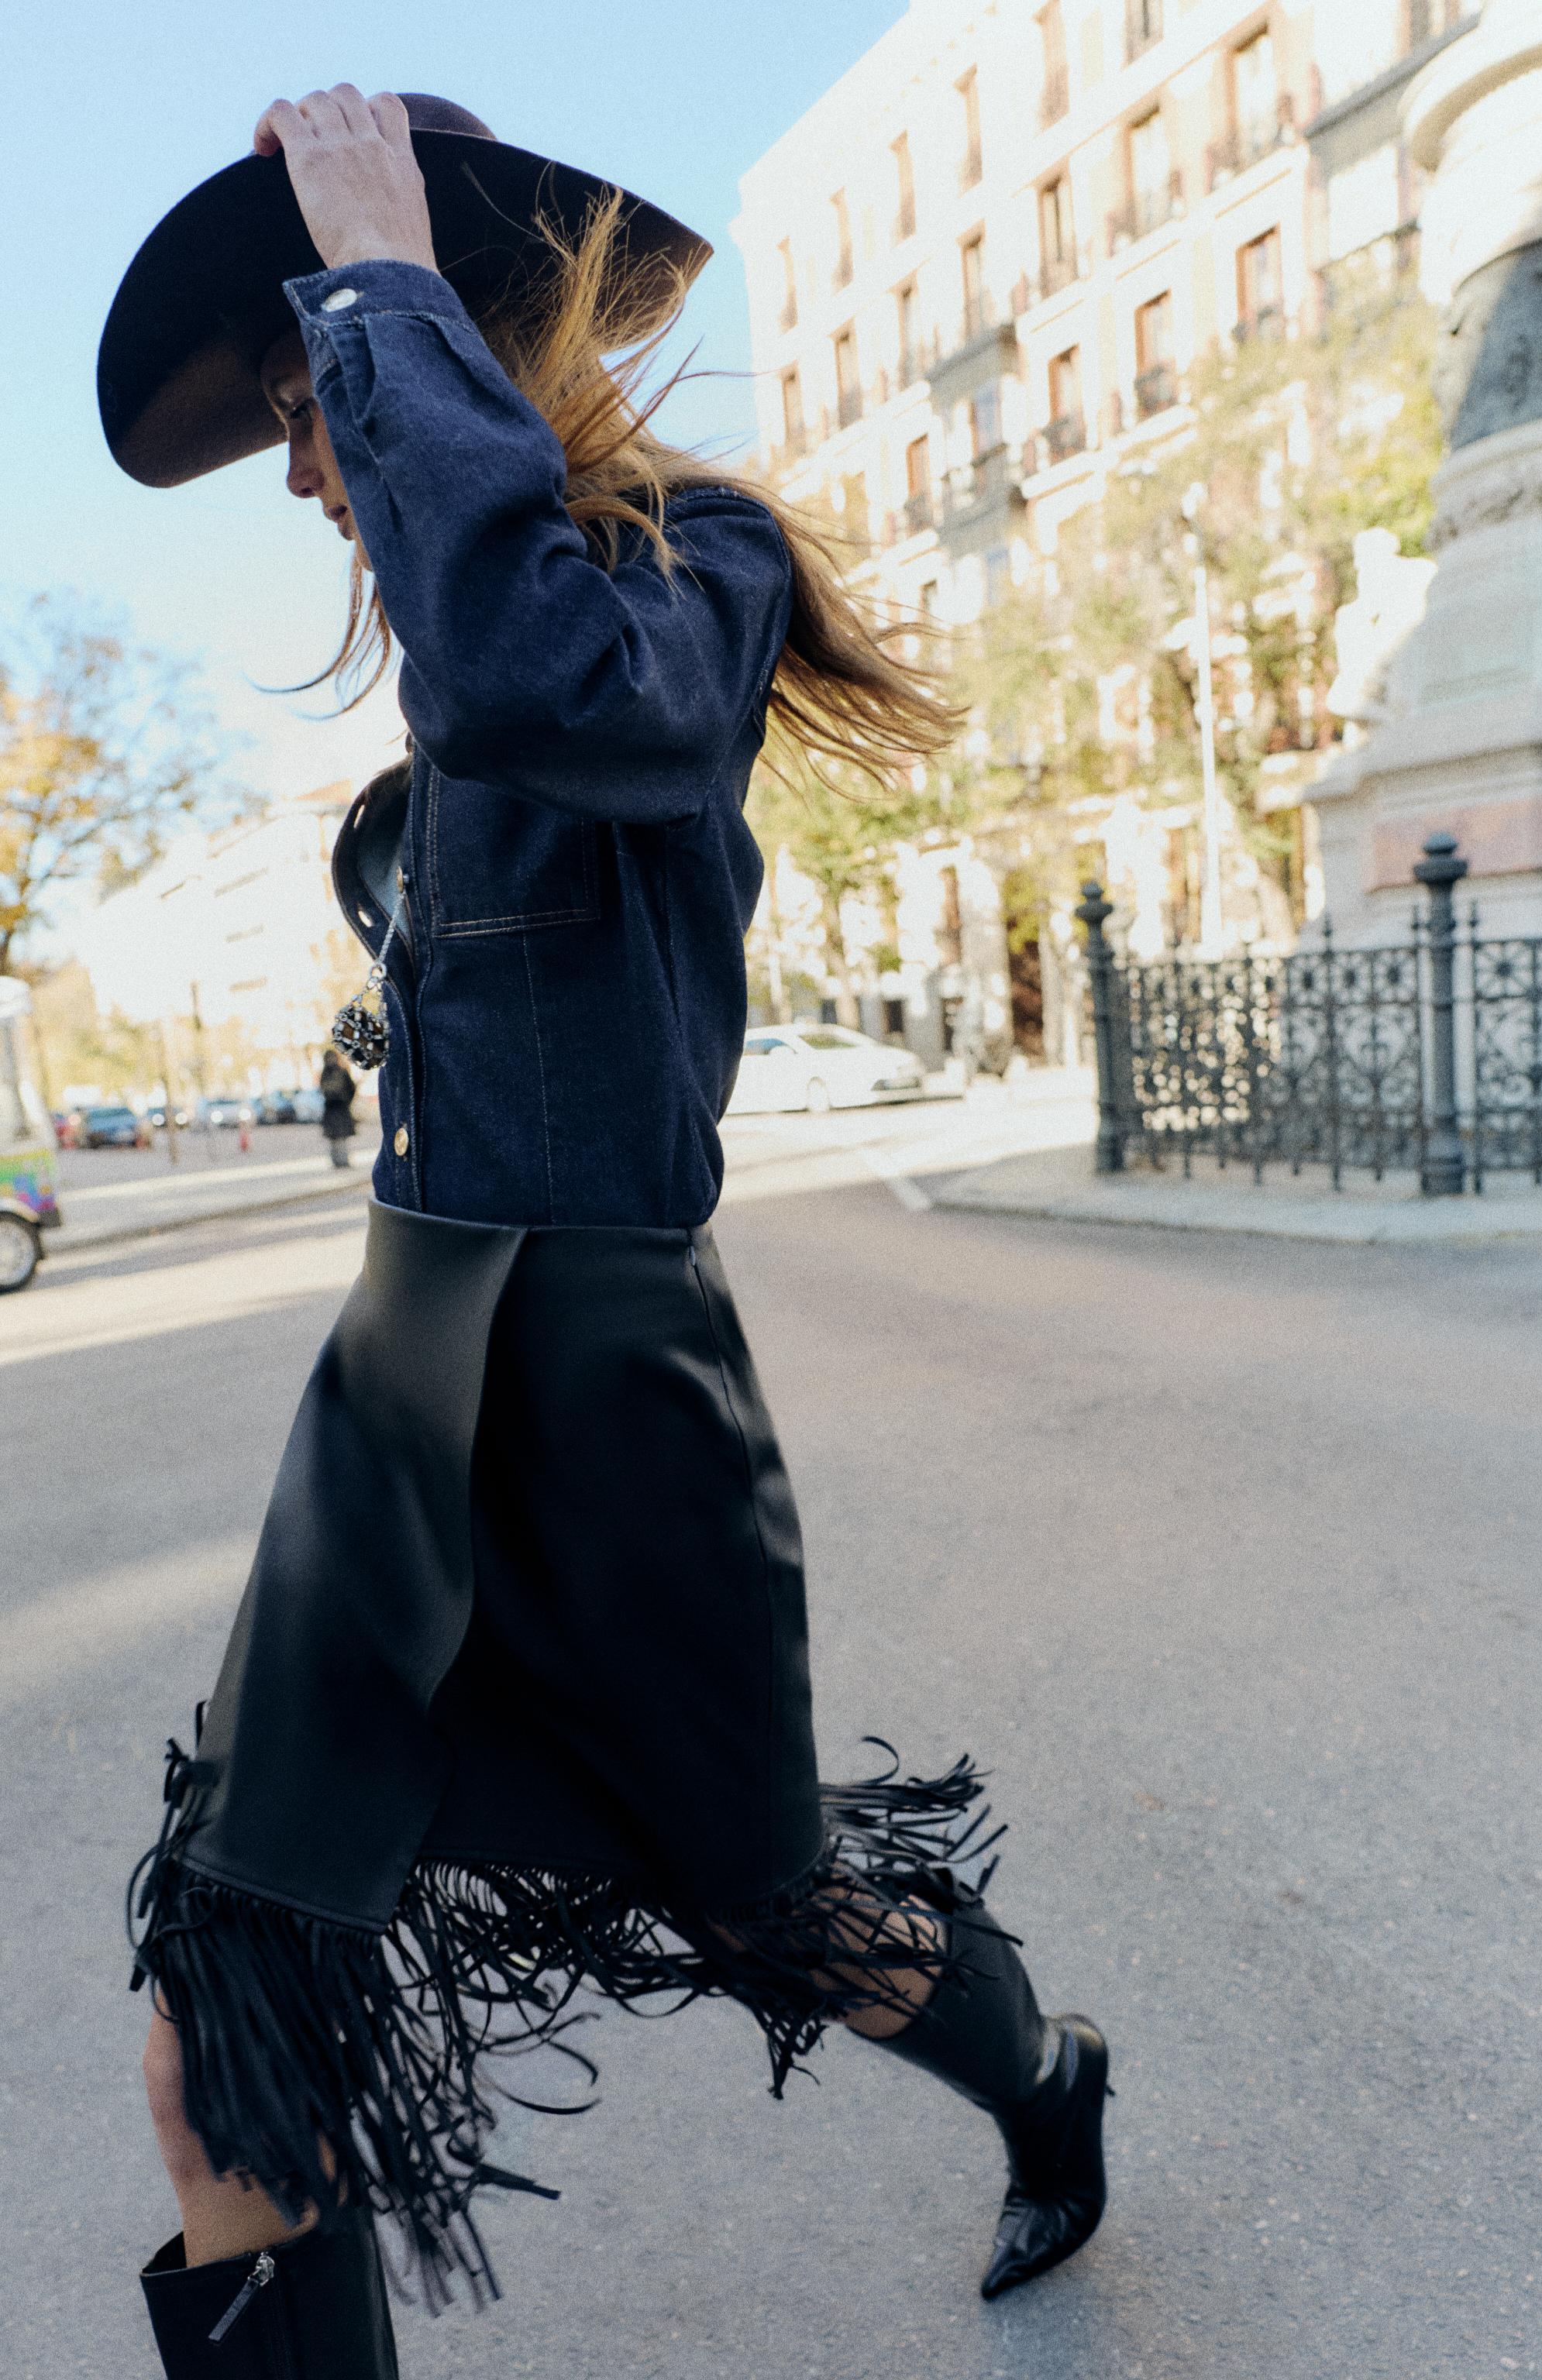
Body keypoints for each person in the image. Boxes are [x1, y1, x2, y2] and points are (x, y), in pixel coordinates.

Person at [98, 90, 1110, 2376]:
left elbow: (538, 679)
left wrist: (366, 278)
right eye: (298, 401)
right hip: (400, 1380)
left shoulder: (685, 575)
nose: (304, 465)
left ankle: (1045, 2078)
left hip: (608, 1379)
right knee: (221, 2007)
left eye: (306, 397)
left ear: (456, 324)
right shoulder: (466, 674)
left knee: (777, 1909)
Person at [318, 1047, 356, 1168]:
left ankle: (343, 1161)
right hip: (332, 1109)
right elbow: (323, 1090)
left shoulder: (342, 1072)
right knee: (334, 1138)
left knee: (341, 1138)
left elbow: (351, 1088)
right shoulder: (325, 1074)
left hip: (340, 1108)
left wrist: (346, 1100)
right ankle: (337, 1161)